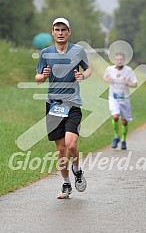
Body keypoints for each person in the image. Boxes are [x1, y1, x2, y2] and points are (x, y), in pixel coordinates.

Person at [35, 17, 91, 198]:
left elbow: (88, 69)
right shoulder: (45, 53)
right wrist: (42, 76)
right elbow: (37, 77)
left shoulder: (78, 51)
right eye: (57, 30)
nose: (60, 33)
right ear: (52, 32)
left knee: (71, 144)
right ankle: (66, 184)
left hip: (73, 104)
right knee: (60, 150)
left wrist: (83, 76)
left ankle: (77, 170)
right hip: (53, 105)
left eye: (63, 30)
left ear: (69, 32)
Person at [103, 52, 138, 150]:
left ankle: (123, 140)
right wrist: (107, 79)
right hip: (113, 97)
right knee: (115, 116)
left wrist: (127, 83)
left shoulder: (128, 70)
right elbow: (104, 78)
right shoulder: (109, 69)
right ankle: (115, 136)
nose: (119, 62)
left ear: (124, 61)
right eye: (117, 60)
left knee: (124, 121)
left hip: (125, 98)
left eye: (121, 60)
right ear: (115, 60)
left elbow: (135, 84)